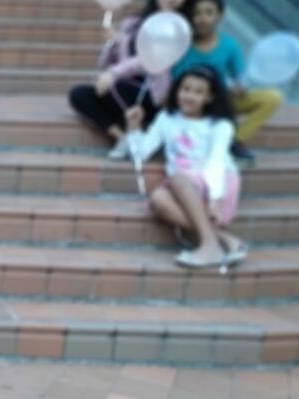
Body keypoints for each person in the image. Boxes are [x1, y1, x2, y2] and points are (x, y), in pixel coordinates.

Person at [125, 64, 248, 269]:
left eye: (199, 92)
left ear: (210, 97)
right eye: (186, 89)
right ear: (177, 90)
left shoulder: (220, 125)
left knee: (178, 178)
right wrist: (133, 127)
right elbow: (141, 153)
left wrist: (215, 200)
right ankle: (225, 240)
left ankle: (209, 247)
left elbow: (216, 162)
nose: (189, 96)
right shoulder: (167, 118)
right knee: (158, 199)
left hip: (217, 182)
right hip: (182, 186)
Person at [68, 0, 191, 160]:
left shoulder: (177, 27)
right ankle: (123, 138)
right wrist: (113, 44)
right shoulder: (132, 23)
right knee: (78, 94)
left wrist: (113, 73)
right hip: (122, 86)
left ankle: (137, 137)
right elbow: (109, 62)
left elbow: (146, 60)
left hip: (149, 91)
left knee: (113, 86)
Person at [173, 0, 284, 160]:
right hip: (190, 103)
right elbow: (175, 80)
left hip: (220, 100)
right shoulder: (183, 44)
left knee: (272, 97)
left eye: (208, 13)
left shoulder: (229, 45)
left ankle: (234, 141)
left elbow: (239, 77)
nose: (202, 18)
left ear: (220, 16)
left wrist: (239, 87)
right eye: (197, 13)